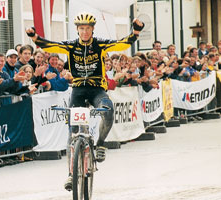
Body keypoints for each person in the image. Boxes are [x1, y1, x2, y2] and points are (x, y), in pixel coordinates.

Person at [26, 12, 144, 191]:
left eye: (88, 29)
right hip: (79, 91)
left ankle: (101, 144)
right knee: (72, 132)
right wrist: (34, 36)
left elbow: (122, 43)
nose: (84, 32)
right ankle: (71, 174)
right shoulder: (71, 46)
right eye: (81, 29)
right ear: (77, 30)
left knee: (108, 109)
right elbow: (50, 45)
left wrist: (135, 31)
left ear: (92, 29)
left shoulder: (100, 44)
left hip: (97, 90)